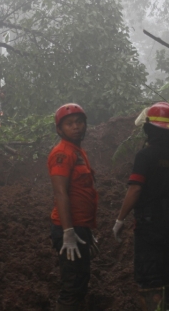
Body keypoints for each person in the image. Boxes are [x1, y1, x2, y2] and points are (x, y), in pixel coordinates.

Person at [112, 102, 169, 311]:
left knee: (148, 278)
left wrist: (120, 219)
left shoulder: (144, 156)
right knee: (166, 276)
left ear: (149, 130)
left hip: (149, 227)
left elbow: (135, 190)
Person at [48, 103, 99, 311]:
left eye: (79, 122)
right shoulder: (62, 154)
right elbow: (61, 193)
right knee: (72, 284)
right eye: (69, 124)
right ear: (60, 130)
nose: (76, 127)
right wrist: (68, 232)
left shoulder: (78, 151)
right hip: (68, 227)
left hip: (79, 227)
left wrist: (86, 233)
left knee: (81, 279)